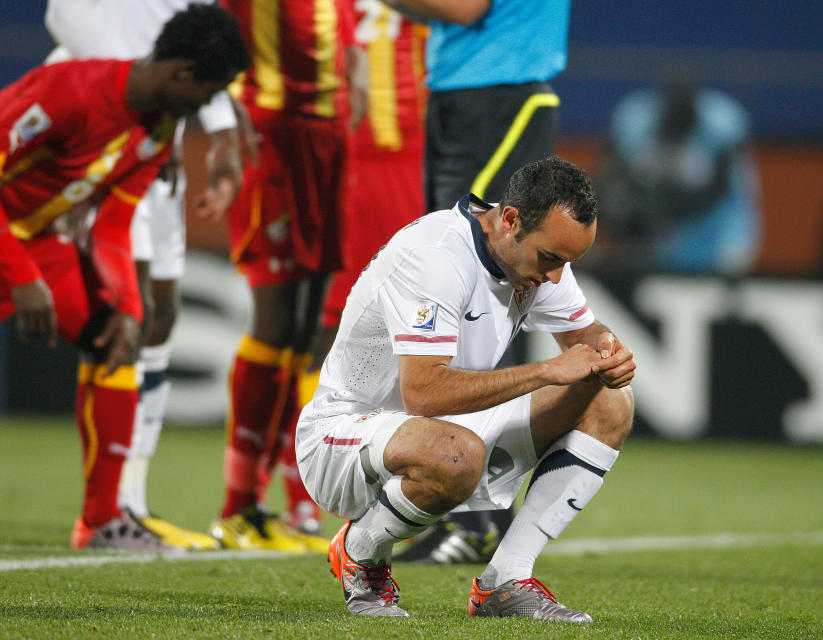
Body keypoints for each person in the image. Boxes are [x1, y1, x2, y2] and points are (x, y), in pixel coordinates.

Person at [0, 5, 249, 550]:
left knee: (113, 338)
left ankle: (103, 519)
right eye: (206, 93)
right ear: (181, 73)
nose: (204, 107)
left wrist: (128, 308)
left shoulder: (158, 128)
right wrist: (22, 276)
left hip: (37, 241)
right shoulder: (72, 90)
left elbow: (113, 223)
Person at [296, 156, 636, 620]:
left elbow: (586, 336)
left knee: (611, 402)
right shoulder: (435, 257)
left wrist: (607, 351)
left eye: (567, 262)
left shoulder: (534, 256)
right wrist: (547, 371)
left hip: (446, 430)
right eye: (552, 259)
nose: (555, 276)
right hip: (342, 439)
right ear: (511, 219)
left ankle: (506, 580)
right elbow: (425, 394)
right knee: (456, 453)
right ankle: (361, 550)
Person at [44, 0, 250, 551]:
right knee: (125, 315)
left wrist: (220, 130)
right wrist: (135, 102)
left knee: (159, 316)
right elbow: (65, 16)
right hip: (105, 120)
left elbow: (202, 35)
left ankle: (129, 501)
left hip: (160, 125)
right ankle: (107, 511)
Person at [381, 0, 572, 565]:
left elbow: (463, 8)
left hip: (501, 93)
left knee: (480, 287)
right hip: (467, 91)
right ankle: (468, 507)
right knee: (448, 283)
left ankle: (481, 514)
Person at [251, 0, 428, 538]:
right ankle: (305, 494)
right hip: (372, 157)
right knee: (329, 330)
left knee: (367, 332)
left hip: (382, 155)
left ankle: (324, 492)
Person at [210, 0, 364, 553]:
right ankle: (236, 506)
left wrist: (358, 76)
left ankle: (268, 503)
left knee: (304, 333)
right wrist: (225, 135)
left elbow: (347, 36)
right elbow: (219, 35)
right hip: (270, 133)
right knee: (274, 324)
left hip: (330, 140)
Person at [597, 78, 761, 274]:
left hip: (720, 236)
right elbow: (606, 178)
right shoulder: (633, 120)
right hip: (658, 245)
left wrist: (662, 209)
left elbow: (716, 193)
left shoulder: (724, 125)